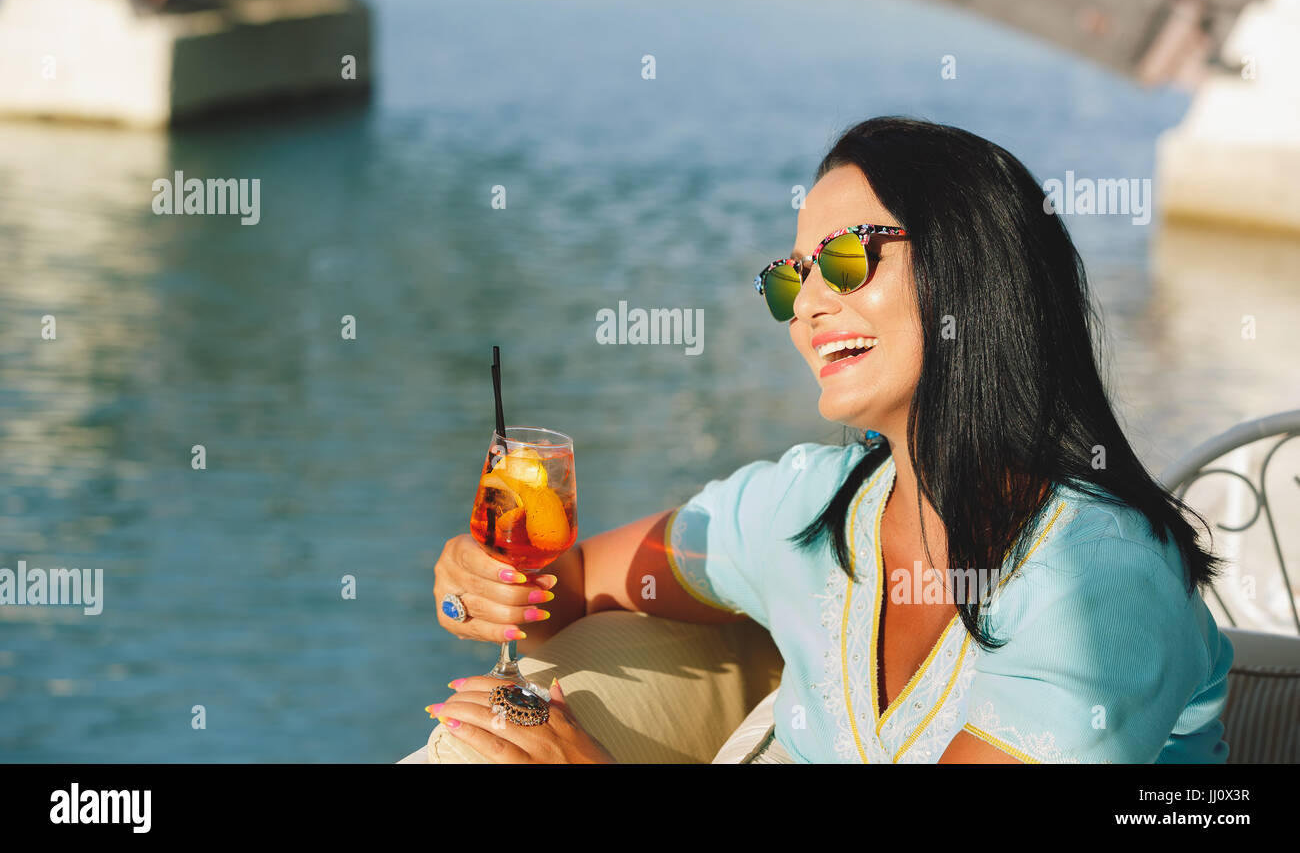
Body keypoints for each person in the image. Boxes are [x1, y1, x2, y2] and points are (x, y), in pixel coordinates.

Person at [430, 116, 1234, 763]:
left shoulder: (1099, 576)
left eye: (848, 259)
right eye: (792, 277)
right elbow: (567, 585)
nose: (806, 305)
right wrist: (482, 584)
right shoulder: (804, 508)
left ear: (974, 267)